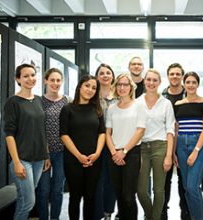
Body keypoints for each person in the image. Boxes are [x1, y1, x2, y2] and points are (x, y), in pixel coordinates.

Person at [3, 63, 50, 220]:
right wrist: (16, 162)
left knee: (25, 198)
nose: (30, 79)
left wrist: (46, 155)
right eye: (25, 76)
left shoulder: (38, 100)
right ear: (18, 79)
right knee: (28, 203)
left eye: (33, 75)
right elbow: (9, 134)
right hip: (22, 160)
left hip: (39, 158)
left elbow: (41, 130)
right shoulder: (13, 102)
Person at [59, 74, 106, 220]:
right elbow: (64, 135)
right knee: (75, 196)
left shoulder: (97, 110)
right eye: (87, 86)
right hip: (73, 160)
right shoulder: (67, 109)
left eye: (93, 88)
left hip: (94, 160)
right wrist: (79, 156)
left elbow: (102, 133)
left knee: (90, 196)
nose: (90, 90)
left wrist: (97, 153)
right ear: (80, 87)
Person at [105, 73, 147, 220]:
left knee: (129, 196)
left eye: (125, 84)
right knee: (119, 195)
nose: (122, 87)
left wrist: (124, 151)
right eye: (119, 84)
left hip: (132, 153)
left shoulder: (139, 105)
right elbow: (107, 133)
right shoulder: (111, 108)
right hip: (114, 154)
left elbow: (140, 130)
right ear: (116, 87)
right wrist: (114, 153)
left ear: (131, 87)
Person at [137, 69, 175, 220]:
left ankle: (154, 218)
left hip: (161, 147)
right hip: (141, 148)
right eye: (149, 80)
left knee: (158, 190)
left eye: (155, 80)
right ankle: (152, 215)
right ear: (144, 81)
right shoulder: (137, 102)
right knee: (140, 190)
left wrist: (168, 156)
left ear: (159, 82)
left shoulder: (166, 103)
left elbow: (170, 130)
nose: (151, 83)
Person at [174, 71, 203, 220]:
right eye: (188, 82)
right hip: (181, 144)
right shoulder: (178, 104)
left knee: (192, 187)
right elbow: (176, 129)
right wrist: (173, 153)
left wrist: (196, 151)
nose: (190, 85)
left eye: (193, 82)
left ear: (197, 84)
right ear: (184, 84)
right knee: (186, 188)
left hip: (199, 144)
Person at [36, 68, 69, 220]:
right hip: (43, 153)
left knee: (57, 189)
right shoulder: (39, 101)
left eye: (58, 80)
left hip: (62, 152)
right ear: (46, 81)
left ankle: (55, 218)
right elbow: (38, 129)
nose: (55, 83)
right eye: (52, 80)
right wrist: (46, 153)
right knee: (43, 189)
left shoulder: (67, 101)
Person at [161, 63, 191, 220]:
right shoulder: (161, 96)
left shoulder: (189, 95)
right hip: (165, 143)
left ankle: (185, 212)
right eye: (172, 74)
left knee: (183, 180)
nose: (175, 76)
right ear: (168, 76)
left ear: (182, 76)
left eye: (178, 74)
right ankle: (162, 211)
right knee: (164, 180)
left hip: (184, 144)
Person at [94, 63, 117, 220]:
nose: (105, 75)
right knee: (97, 181)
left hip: (116, 144)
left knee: (112, 180)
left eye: (108, 72)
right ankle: (96, 214)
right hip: (95, 145)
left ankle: (108, 211)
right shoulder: (91, 97)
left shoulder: (120, 96)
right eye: (101, 73)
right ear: (97, 77)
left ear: (112, 76)